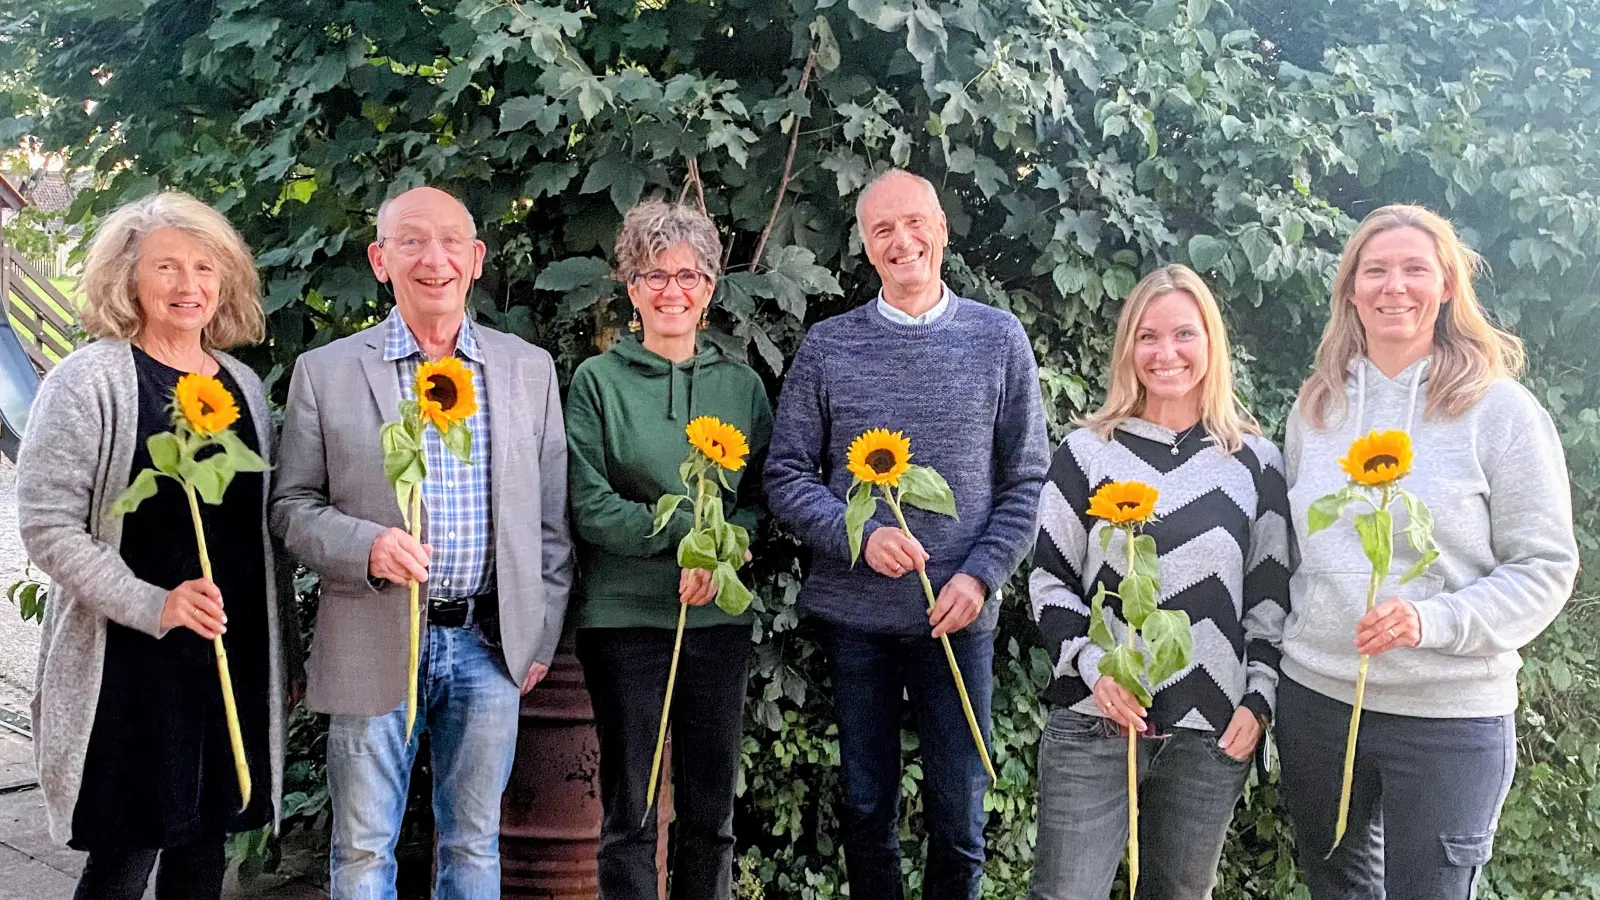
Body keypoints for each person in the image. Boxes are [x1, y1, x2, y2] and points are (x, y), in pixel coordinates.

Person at [270, 185, 573, 900]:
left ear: (476, 259)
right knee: (363, 850)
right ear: (380, 260)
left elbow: (551, 523)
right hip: (371, 637)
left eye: (450, 242)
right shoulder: (327, 372)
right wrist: (365, 546)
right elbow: (290, 507)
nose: (433, 258)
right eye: (411, 240)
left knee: (473, 844)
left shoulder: (527, 369)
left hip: (488, 645)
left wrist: (538, 634)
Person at [1276, 204, 1579, 898]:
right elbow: (1295, 551)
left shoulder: (1500, 412)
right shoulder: (1317, 408)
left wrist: (1431, 620)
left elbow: (1545, 567)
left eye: (1415, 269)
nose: (1395, 287)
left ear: (1446, 287)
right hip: (1320, 704)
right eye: (1375, 270)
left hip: (1449, 719)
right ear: (1351, 290)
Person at [764, 168, 1049, 900]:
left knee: (959, 815)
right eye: (882, 229)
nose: (902, 241)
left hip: (958, 617)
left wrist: (980, 577)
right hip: (857, 621)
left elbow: (1027, 481)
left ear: (942, 230)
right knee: (867, 808)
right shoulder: (828, 347)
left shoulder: (998, 339)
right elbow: (786, 475)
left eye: (914, 222)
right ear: (866, 244)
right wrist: (856, 535)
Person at [16, 191, 290, 900]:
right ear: (128, 278)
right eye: (166, 266)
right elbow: (47, 525)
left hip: (229, 654)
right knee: (124, 855)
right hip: (127, 662)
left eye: (204, 266)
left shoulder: (243, 387)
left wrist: (282, 651)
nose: (187, 284)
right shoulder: (89, 381)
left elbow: (259, 534)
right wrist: (153, 603)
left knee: (205, 848)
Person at [1025, 264, 1291, 900]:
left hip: (1211, 730)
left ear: (1211, 341)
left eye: (1183, 334)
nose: (1165, 352)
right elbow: (1050, 580)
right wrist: (1093, 665)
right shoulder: (1087, 452)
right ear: (1128, 347)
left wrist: (1259, 699)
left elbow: (1271, 597)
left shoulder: (1255, 462)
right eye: (1147, 336)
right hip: (1095, 718)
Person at [565, 199, 773, 899]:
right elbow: (590, 504)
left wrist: (725, 554)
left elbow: (761, 500)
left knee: (711, 814)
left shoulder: (742, 388)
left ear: (710, 289)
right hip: (625, 621)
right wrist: (692, 544)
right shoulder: (597, 383)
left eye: (689, 276)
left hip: (717, 622)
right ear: (632, 288)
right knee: (630, 811)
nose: (671, 290)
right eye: (654, 275)